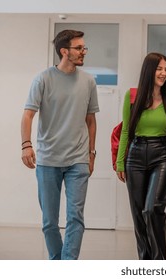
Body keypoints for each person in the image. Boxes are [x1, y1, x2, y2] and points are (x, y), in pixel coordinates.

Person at [20, 29, 99, 260]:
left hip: (78, 160)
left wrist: (91, 154)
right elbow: (27, 115)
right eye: (79, 48)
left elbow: (91, 120)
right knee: (49, 222)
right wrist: (26, 145)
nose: (83, 51)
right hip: (47, 160)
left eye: (84, 47)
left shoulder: (88, 81)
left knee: (75, 217)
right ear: (64, 51)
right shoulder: (43, 79)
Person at [116, 52, 166, 260]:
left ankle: (159, 264)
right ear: (149, 70)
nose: (164, 73)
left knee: (152, 209)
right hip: (135, 156)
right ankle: (145, 263)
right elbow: (125, 132)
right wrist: (120, 162)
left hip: (163, 155)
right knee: (139, 214)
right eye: (159, 68)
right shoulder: (132, 97)